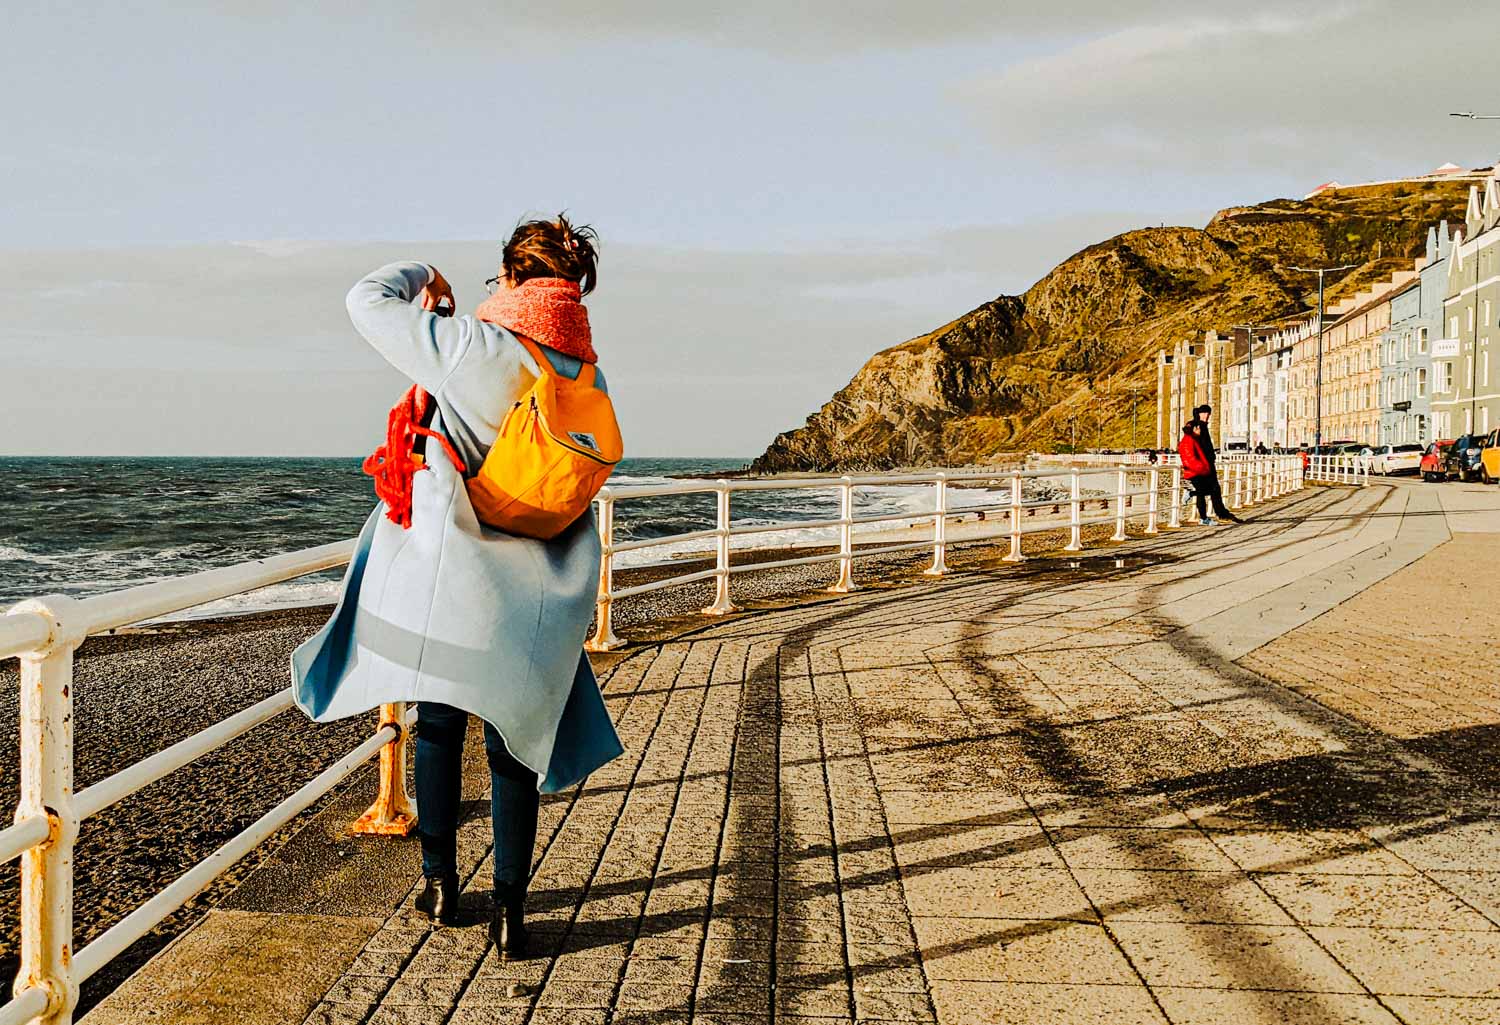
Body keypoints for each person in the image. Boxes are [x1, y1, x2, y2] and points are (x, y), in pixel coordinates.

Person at [291, 216, 624, 959]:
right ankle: (511, 911)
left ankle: (441, 885)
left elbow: (365, 299)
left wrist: (424, 274)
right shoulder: (584, 375)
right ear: (572, 286)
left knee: (438, 725)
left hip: (460, 582)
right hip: (542, 591)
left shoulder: (473, 345)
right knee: (517, 745)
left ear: (510, 275)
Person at [1192, 405, 1242, 524]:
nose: (1207, 415)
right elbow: (1198, 444)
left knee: (1209, 490)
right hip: (1203, 464)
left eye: (1208, 413)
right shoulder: (1198, 426)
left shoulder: (1201, 426)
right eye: (1204, 413)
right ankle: (1216, 515)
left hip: (1205, 463)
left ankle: (1214, 515)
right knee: (1210, 490)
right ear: (1199, 414)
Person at [1178, 422, 1218, 525]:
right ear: (1194, 429)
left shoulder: (1192, 439)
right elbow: (1190, 459)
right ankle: (1203, 518)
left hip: (1196, 471)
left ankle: (1191, 494)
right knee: (1203, 493)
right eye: (1199, 428)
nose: (1200, 431)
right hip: (1194, 472)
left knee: (1206, 491)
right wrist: (1203, 469)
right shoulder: (1188, 441)